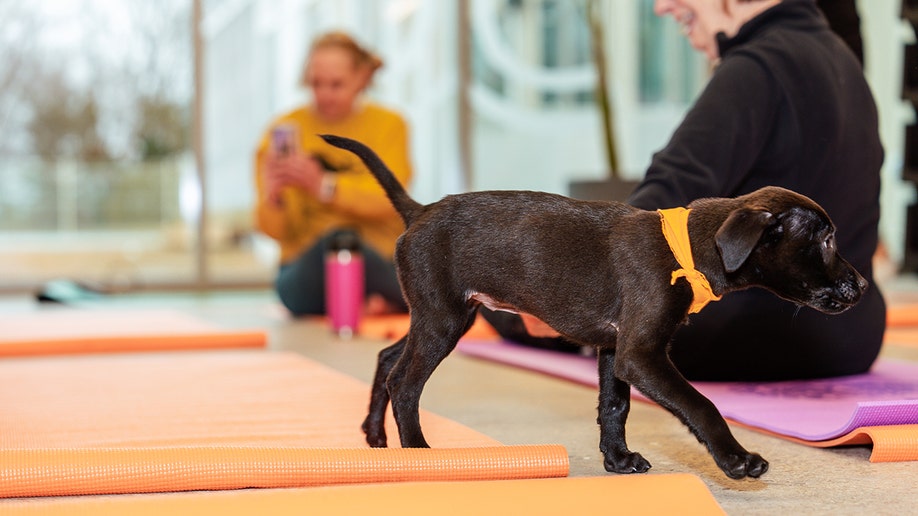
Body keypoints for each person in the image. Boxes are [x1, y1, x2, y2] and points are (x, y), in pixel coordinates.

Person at [486, 0, 886, 381]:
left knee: (499, 300)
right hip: (854, 338)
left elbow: (661, 200)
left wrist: (568, 289)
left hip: (753, 338)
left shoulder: (756, 69)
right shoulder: (840, 59)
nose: (661, 7)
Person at [254, 31, 412, 316]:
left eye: (336, 85)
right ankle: (384, 301)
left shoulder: (390, 125)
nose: (324, 95)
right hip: (306, 270)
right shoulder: (283, 129)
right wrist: (273, 198)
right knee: (336, 243)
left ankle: (376, 298)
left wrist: (323, 186)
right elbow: (274, 232)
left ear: (362, 79)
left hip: (380, 260)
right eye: (316, 84)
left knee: (350, 244)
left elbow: (391, 201)